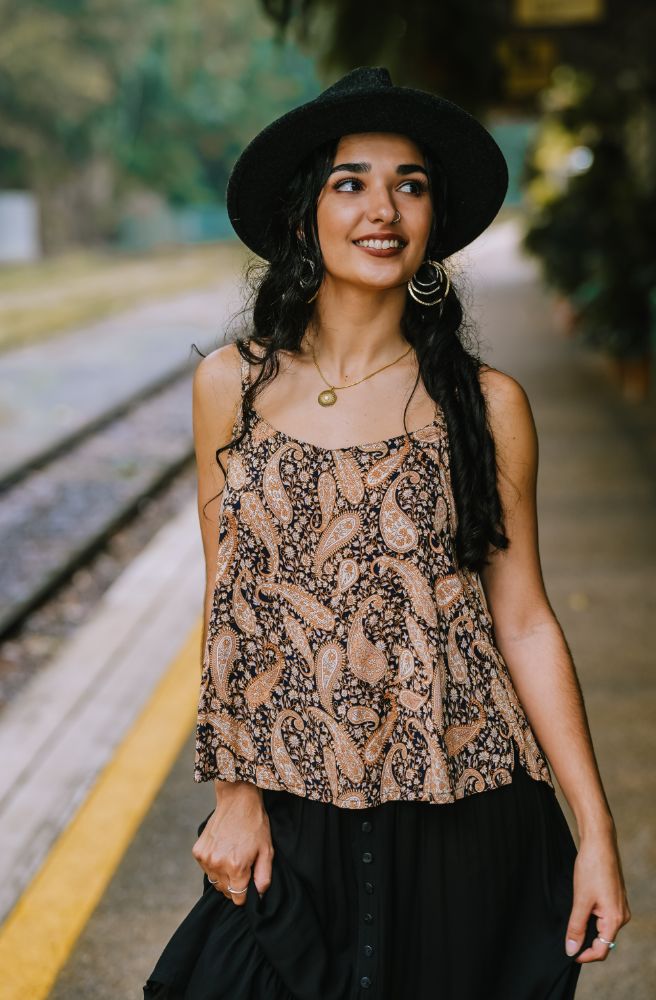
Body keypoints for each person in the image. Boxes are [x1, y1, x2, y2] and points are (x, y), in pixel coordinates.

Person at [143, 66, 630, 1000]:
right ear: (302, 217)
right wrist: (234, 794)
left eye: (410, 183)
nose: (385, 208)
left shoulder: (488, 406)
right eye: (350, 182)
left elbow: (523, 620)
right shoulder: (229, 389)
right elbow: (231, 601)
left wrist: (596, 835)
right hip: (296, 809)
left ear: (433, 221)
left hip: (469, 812)